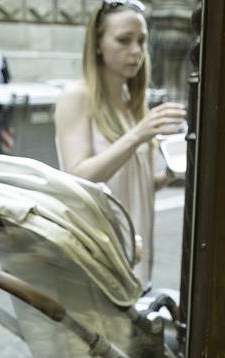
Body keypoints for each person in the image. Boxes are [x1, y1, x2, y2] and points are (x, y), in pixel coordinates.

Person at [54, 0, 186, 282]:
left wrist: (172, 171)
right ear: (98, 44)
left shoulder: (131, 103)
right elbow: (78, 176)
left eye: (141, 41)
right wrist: (138, 134)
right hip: (100, 256)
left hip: (135, 251)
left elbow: (134, 185)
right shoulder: (77, 96)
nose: (136, 51)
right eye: (124, 40)